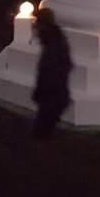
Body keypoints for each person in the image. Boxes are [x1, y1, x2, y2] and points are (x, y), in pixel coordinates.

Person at [30, 7, 73, 139]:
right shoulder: (53, 39)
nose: (35, 25)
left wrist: (43, 89)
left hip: (53, 91)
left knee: (43, 126)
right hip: (53, 91)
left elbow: (52, 69)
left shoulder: (54, 43)